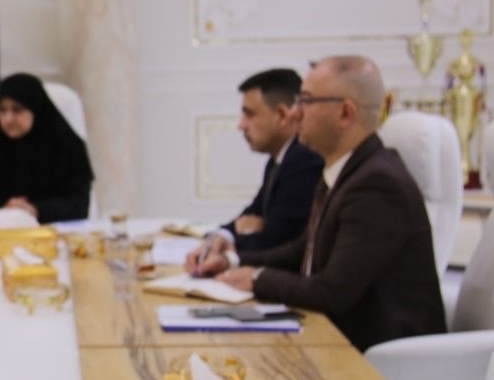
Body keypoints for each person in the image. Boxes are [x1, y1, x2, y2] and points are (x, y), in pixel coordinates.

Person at [191, 56, 446, 351]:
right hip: (337, 341)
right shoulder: (346, 171)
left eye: (307, 100)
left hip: (381, 361)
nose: (295, 112)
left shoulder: (377, 185)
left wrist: (257, 279)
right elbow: (303, 250)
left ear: (345, 113)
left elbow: (331, 291)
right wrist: (233, 261)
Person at [184, 68, 322, 271]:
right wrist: (224, 234)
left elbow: (276, 240)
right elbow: (253, 211)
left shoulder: (304, 161)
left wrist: (224, 252)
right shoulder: (280, 158)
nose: (241, 125)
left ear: (282, 114)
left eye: (249, 114)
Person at [0, 73, 94, 222]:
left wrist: (36, 210)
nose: (8, 119)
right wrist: (3, 209)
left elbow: (79, 205)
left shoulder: (67, 145)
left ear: (36, 109)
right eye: (2, 110)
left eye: (17, 110)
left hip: (52, 229)